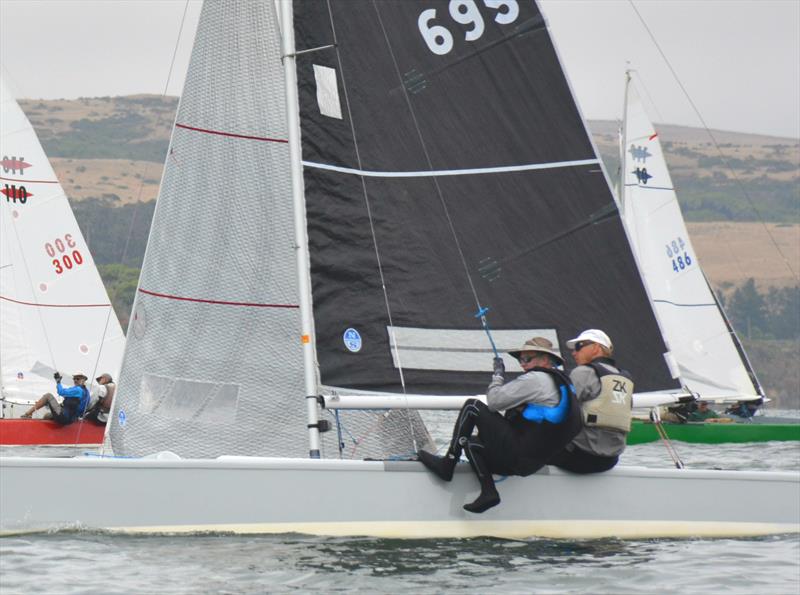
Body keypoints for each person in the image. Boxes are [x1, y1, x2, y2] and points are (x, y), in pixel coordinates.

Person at [417, 337, 581, 514]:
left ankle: (447, 464)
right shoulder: (564, 383)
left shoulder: (536, 379)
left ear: (546, 359)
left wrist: (498, 375)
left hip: (518, 455)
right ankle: (489, 492)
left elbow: (494, 401)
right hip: (531, 465)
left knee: (472, 406)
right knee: (471, 443)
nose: (522, 364)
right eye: (520, 359)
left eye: (527, 359)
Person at [549, 329, 634, 474]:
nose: (574, 353)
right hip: (611, 460)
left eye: (579, 346)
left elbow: (558, 408)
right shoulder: (625, 378)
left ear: (596, 348)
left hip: (580, 457)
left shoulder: (583, 372)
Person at [21, 372, 91, 425]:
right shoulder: (86, 392)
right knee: (47, 416)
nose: (75, 380)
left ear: (84, 380)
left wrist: (58, 382)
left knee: (48, 396)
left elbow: (61, 392)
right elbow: (73, 401)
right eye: (74, 378)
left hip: (64, 416)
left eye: (78, 378)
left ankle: (27, 414)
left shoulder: (78, 390)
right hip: (71, 420)